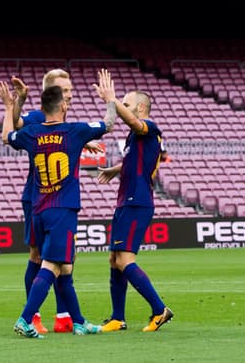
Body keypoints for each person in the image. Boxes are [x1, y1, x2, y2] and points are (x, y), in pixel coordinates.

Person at [1, 75, 113, 339]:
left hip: (39, 206)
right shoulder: (75, 131)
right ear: (62, 106)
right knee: (51, 265)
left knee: (64, 267)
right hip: (62, 209)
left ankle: (78, 321)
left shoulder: (32, 133)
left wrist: (9, 106)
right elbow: (108, 123)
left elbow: (7, 136)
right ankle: (26, 319)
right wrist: (110, 100)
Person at [95, 77, 174, 332]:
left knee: (125, 259)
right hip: (125, 201)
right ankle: (118, 317)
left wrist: (111, 100)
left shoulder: (148, 126)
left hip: (136, 201)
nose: (122, 108)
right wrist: (115, 169)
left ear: (140, 108)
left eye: (127, 104)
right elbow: (139, 162)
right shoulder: (134, 137)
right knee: (114, 259)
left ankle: (159, 309)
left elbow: (133, 122)